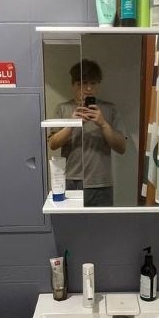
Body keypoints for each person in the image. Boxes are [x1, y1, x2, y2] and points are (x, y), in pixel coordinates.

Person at [48, 59, 127, 207]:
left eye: (93, 83)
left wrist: (103, 124)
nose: (88, 88)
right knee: (71, 221)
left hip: (101, 183)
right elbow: (52, 144)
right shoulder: (63, 109)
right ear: (73, 85)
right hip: (70, 180)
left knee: (101, 222)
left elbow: (122, 147)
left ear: (98, 84)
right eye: (82, 83)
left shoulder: (110, 109)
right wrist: (72, 124)